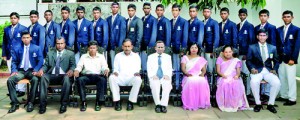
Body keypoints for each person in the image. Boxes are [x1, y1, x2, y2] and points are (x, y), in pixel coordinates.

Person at [7, 31, 43, 113]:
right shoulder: (17, 48)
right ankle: (15, 103)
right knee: (10, 80)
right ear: (21, 39)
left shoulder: (36, 48)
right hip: (21, 71)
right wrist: (14, 70)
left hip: (32, 70)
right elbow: (14, 61)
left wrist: (36, 70)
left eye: (27, 37)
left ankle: (31, 102)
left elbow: (40, 60)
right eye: (24, 38)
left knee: (35, 80)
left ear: (30, 38)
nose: (26, 39)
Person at [246, 29, 281, 113]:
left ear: (267, 37)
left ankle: (270, 104)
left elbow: (276, 61)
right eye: (260, 35)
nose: (262, 37)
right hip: (257, 70)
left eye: (264, 35)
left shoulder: (272, 47)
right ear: (257, 37)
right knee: (254, 82)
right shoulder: (252, 47)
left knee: (277, 83)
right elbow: (248, 61)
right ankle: (258, 104)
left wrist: (274, 69)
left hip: (268, 71)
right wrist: (252, 68)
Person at [38, 37, 75, 114]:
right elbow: (46, 65)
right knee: (43, 77)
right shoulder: (50, 53)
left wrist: (71, 70)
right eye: (58, 43)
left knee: (67, 78)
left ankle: (63, 104)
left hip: (64, 76)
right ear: (55, 44)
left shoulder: (70, 54)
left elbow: (73, 65)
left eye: (62, 43)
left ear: (64, 44)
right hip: (52, 75)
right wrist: (42, 70)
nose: (60, 45)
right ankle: (42, 105)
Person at [74, 41, 109, 112]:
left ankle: (98, 102)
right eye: (91, 48)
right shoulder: (84, 56)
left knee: (102, 80)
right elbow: (79, 66)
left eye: (94, 48)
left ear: (97, 49)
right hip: (87, 76)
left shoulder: (101, 57)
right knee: (80, 80)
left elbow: (104, 66)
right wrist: (77, 70)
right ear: (88, 49)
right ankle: (83, 102)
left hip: (97, 76)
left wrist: (106, 69)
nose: (92, 50)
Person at [109, 39, 142, 111]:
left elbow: (138, 67)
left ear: (131, 47)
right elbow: (116, 68)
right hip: (121, 77)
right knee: (112, 78)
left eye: (128, 46)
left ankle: (130, 102)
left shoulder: (136, 56)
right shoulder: (118, 56)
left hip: (131, 77)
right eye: (125, 46)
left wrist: (137, 72)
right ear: (122, 47)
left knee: (138, 79)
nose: (127, 48)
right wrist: (115, 72)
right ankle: (117, 101)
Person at [216, 45, 250, 112]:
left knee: (235, 83)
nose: (228, 53)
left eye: (229, 52)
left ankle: (236, 104)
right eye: (226, 52)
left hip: (233, 77)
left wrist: (237, 75)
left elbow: (238, 71)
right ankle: (226, 104)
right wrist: (223, 75)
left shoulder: (236, 60)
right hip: (223, 77)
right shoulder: (219, 59)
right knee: (225, 83)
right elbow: (218, 71)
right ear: (223, 53)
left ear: (232, 52)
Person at [276, 10, 300, 106]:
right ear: (282, 18)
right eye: (285, 17)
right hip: (280, 58)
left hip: (290, 59)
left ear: (292, 18)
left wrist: (293, 59)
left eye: (288, 16)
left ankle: (292, 98)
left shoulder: (296, 30)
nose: (286, 18)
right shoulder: (278, 29)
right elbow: (278, 45)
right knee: (282, 78)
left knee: (291, 79)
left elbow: (297, 46)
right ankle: (284, 95)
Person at [2, 12, 27, 97]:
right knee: (12, 72)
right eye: (11, 18)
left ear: (18, 19)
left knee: (20, 71)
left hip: (20, 54)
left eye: (15, 18)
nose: (13, 19)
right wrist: (4, 54)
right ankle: (14, 89)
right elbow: (4, 42)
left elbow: (26, 42)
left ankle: (21, 90)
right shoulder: (7, 29)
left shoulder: (23, 28)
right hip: (9, 54)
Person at [181, 42, 210, 110]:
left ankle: (200, 103)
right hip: (189, 76)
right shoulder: (185, 57)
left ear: (198, 49)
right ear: (189, 49)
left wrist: (202, 74)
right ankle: (190, 103)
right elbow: (183, 68)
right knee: (191, 81)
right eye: (192, 47)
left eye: (195, 48)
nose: (194, 49)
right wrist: (186, 73)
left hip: (198, 75)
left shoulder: (201, 59)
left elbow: (204, 70)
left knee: (202, 81)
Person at [147, 41, 172, 113]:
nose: (160, 49)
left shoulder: (168, 57)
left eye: (162, 47)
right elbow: (149, 68)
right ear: (155, 48)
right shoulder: (150, 57)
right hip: (154, 76)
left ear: (164, 48)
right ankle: (157, 104)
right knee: (155, 84)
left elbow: (169, 68)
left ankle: (163, 105)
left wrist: (167, 75)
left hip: (164, 76)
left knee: (167, 84)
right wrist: (153, 75)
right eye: (158, 47)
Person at [237, 8, 255, 97]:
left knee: (246, 72)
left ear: (246, 15)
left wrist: (247, 54)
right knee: (238, 72)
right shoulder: (237, 26)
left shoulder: (249, 26)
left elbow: (251, 41)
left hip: (245, 54)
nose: (242, 16)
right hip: (237, 53)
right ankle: (240, 91)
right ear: (238, 15)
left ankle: (247, 92)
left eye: (244, 15)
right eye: (240, 15)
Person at [170, 4, 188, 89]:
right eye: (173, 10)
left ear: (179, 11)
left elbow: (185, 37)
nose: (174, 12)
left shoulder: (184, 22)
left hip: (180, 50)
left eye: (176, 10)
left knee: (181, 69)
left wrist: (183, 50)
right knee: (174, 69)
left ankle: (181, 87)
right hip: (172, 49)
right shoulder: (170, 22)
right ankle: (175, 87)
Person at [106, 2, 126, 71]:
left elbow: (122, 33)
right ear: (111, 8)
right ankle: (113, 73)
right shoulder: (108, 19)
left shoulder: (122, 19)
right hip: (111, 45)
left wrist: (120, 46)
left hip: (118, 45)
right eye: (113, 7)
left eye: (116, 7)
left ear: (118, 8)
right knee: (112, 61)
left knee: (119, 62)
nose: (115, 9)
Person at [202, 6, 219, 81]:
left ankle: (212, 85)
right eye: (205, 11)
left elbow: (216, 36)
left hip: (210, 49)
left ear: (210, 13)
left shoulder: (214, 22)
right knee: (203, 66)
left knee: (210, 68)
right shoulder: (201, 22)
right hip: (202, 48)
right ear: (203, 13)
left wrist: (214, 49)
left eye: (208, 11)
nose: (206, 13)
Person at [141, 2, 157, 72]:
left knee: (150, 65)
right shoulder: (142, 19)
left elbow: (154, 34)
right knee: (143, 64)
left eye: (148, 8)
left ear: (150, 9)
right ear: (143, 9)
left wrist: (150, 46)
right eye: (145, 8)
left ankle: (149, 81)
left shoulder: (153, 19)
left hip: (149, 46)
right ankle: (145, 80)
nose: (146, 10)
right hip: (142, 46)